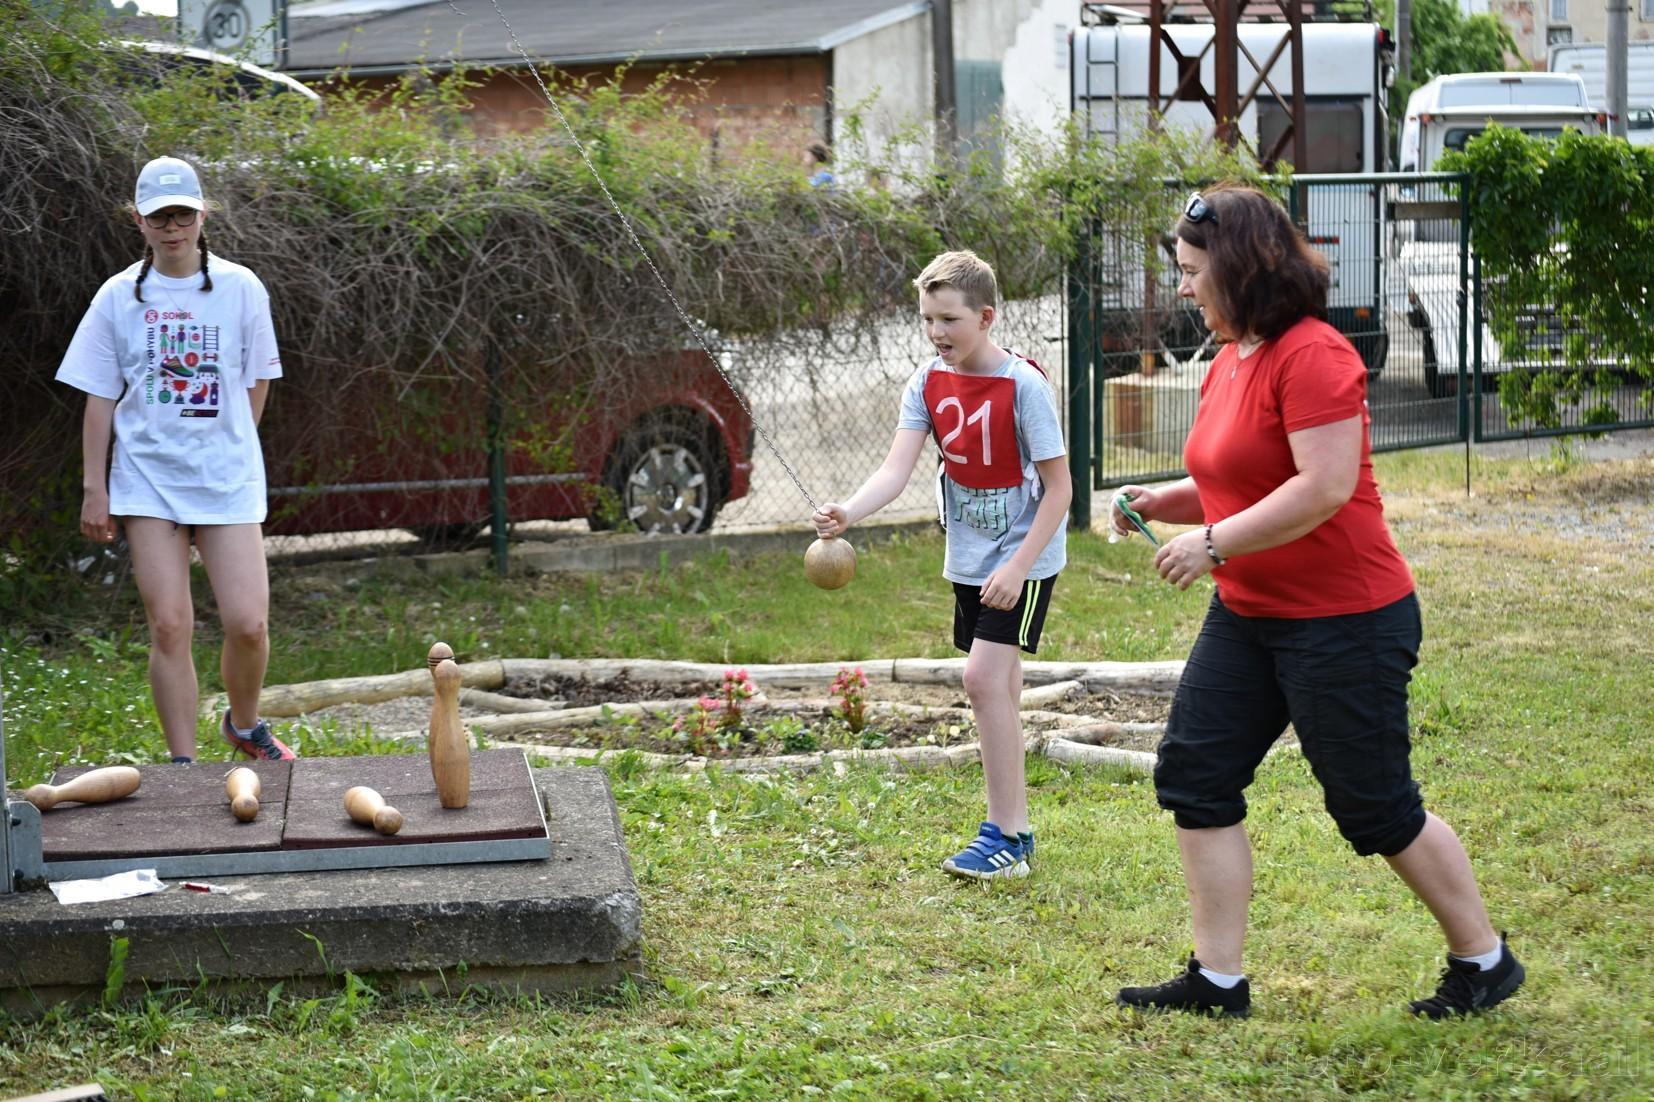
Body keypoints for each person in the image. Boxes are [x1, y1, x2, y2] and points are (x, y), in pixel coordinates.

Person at [1110, 185, 1521, 1019]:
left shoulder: (1315, 354)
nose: (1182, 288)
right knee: (1196, 775)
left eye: (1192, 271)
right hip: (1251, 614)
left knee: (1375, 806)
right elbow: (1236, 477)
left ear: (1239, 268)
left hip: (1346, 619)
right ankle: (1217, 981)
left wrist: (1212, 544)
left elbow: (1322, 486)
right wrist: (1165, 501)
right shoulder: (1231, 358)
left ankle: (1484, 960)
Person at [812, 249, 1071, 880]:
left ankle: (1004, 835)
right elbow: (895, 470)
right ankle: (1018, 831)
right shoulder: (927, 382)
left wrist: (1019, 566)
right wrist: (848, 512)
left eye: (949, 319)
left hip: (1024, 560)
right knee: (1000, 684)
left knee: (981, 680)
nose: (936, 332)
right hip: (969, 558)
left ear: (985, 317)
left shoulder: (1024, 386)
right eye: (928, 319)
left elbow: (1060, 490)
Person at [56, 156, 295, 764]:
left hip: (225, 479)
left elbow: (259, 380)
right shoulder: (118, 296)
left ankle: (244, 726)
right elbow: (99, 396)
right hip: (146, 480)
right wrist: (94, 489)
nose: (172, 227)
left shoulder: (241, 287)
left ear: (202, 215)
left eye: (183, 215)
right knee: (169, 625)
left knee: (248, 624)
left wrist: (229, 444)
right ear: (138, 220)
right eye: (159, 217)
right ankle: (184, 767)